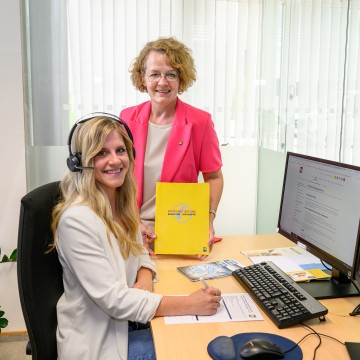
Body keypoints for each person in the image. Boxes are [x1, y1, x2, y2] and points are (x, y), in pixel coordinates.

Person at [49, 115, 221, 360]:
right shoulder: (77, 220)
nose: (115, 160)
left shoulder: (119, 201)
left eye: (120, 150)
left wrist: (145, 276)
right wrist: (189, 304)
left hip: (127, 324)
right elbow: (114, 300)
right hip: (101, 343)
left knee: (198, 334)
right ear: (80, 162)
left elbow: (140, 250)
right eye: (101, 153)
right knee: (194, 348)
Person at [120, 37, 224, 255]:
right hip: (131, 231)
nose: (162, 82)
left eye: (171, 74)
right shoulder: (127, 119)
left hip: (180, 234)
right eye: (155, 74)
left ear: (181, 78)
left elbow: (214, 177)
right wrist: (131, 224)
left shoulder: (200, 122)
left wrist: (208, 219)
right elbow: (114, 182)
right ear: (143, 77)